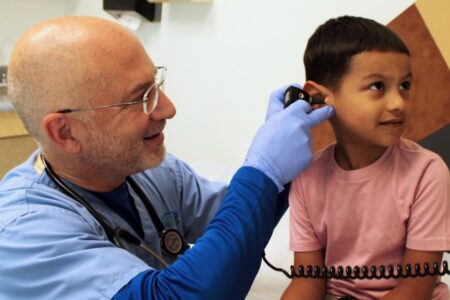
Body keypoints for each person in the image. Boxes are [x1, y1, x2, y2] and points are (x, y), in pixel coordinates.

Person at [0, 16, 333, 299]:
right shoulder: (23, 233)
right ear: (65, 132)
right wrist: (262, 171)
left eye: (156, 84)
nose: (168, 108)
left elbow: (235, 219)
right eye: (140, 98)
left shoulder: (148, 171)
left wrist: (295, 160)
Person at [281, 16, 450, 300]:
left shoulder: (427, 173)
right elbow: (307, 281)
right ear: (319, 97)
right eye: (377, 87)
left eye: (405, 85)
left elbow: (415, 289)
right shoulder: (307, 176)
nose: (398, 103)